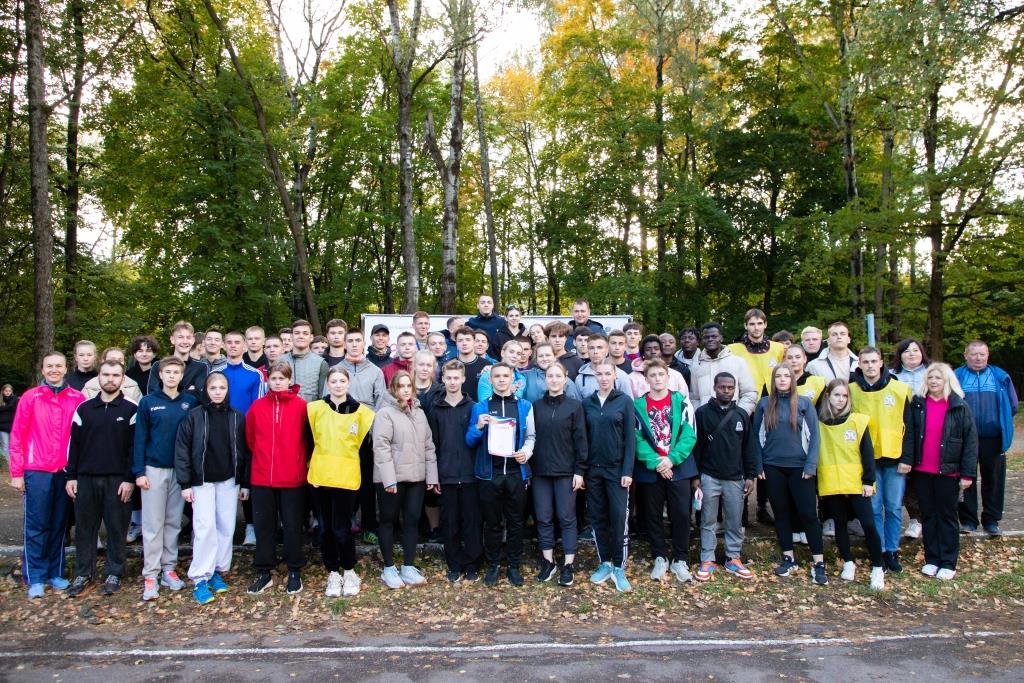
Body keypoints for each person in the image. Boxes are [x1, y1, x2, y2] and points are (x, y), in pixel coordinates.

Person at [9, 351, 86, 598]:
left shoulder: (77, 398)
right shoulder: (31, 397)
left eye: (58, 366)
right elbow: (17, 436)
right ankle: (35, 576)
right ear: (42, 370)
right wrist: (17, 473)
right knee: (36, 524)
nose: (54, 370)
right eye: (49, 366)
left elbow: (82, 437)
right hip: (37, 470)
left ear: (66, 368)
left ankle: (56, 572)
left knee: (59, 524)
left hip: (65, 471)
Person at [174, 372, 250, 605]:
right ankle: (200, 576)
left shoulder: (237, 417)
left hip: (228, 480)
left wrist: (244, 482)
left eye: (222, 388)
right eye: (213, 388)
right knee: (204, 527)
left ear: (227, 390)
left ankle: (217, 569)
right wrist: (185, 483)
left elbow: (245, 451)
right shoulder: (194, 416)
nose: (217, 392)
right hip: (202, 481)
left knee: (225, 526)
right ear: (206, 390)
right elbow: (182, 450)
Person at [64, 360, 137, 597]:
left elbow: (134, 449)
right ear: (99, 378)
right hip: (86, 478)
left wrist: (129, 479)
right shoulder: (84, 409)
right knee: (85, 529)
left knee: (117, 529)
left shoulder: (131, 409)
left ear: (122, 379)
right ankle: (84, 573)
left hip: (118, 481)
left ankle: (114, 572)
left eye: (115, 375)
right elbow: (74, 445)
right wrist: (71, 476)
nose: (110, 379)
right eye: (106, 374)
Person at [751, 365, 825, 584]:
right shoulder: (764, 404)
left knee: (808, 514)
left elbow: (814, 437)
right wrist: (758, 465)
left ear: (792, 379)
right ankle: (788, 557)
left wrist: (811, 465)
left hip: (800, 468)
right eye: (778, 376)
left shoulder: (804, 403)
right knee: (781, 513)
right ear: (773, 380)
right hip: (773, 467)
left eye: (786, 376)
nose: (782, 379)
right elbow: (756, 437)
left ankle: (819, 562)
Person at [905, 363, 979, 580]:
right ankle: (932, 559)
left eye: (938, 377)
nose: (934, 381)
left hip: (948, 471)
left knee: (947, 516)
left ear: (947, 380)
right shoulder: (918, 404)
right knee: (928, 515)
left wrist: (967, 474)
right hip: (922, 470)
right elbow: (909, 434)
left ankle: (948, 561)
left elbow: (970, 442)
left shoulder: (959, 406)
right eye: (930, 377)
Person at [134, 356, 198, 601]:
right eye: (168, 372)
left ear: (182, 376)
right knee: (153, 524)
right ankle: (151, 573)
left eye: (176, 372)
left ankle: (168, 568)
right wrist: (139, 472)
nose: (172, 376)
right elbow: (139, 438)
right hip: (154, 470)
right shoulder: (148, 402)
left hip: (179, 471)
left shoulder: (189, 402)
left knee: (173, 522)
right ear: (160, 375)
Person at [307, 366, 376, 598]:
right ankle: (332, 572)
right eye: (333, 381)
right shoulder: (315, 409)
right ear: (327, 384)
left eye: (342, 381)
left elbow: (364, 451)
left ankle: (348, 569)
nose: (338, 385)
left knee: (341, 528)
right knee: (325, 527)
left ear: (348, 383)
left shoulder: (362, 413)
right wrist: (313, 469)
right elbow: (309, 443)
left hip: (347, 477)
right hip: (320, 477)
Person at [466, 363, 536, 587]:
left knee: (516, 522)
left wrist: (526, 453)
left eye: (506, 376)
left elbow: (531, 436)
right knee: (492, 523)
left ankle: (514, 566)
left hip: (516, 474)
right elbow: (469, 440)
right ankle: (494, 565)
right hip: (490, 475)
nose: (502, 380)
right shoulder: (481, 407)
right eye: (497, 376)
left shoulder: (525, 406)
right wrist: (478, 427)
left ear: (513, 379)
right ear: (491, 380)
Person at [245, 362, 309, 596]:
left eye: (282, 378)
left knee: (292, 525)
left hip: (292, 477)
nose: (278, 382)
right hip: (263, 477)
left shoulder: (302, 406)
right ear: (268, 380)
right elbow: (250, 438)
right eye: (274, 378)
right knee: (264, 527)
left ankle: (294, 570)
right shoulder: (257, 406)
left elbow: (307, 439)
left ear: (289, 380)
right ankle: (264, 571)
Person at [633, 360, 698, 584]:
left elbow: (689, 434)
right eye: (653, 375)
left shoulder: (682, 402)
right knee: (652, 515)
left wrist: (671, 459)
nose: (657, 378)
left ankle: (680, 558)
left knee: (681, 514)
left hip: (678, 468)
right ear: (646, 379)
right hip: (651, 471)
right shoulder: (638, 405)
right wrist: (656, 462)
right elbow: (636, 438)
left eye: (661, 374)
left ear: (668, 377)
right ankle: (659, 557)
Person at [817, 379, 885, 590]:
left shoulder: (858, 421)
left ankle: (878, 567)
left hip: (856, 482)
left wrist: (868, 481)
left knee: (868, 524)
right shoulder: (819, 424)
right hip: (831, 481)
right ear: (828, 397)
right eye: (836, 395)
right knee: (839, 523)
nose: (840, 399)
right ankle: (848, 562)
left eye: (844, 396)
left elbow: (868, 454)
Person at [849, 346, 912, 572]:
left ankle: (892, 550)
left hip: (895, 458)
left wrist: (907, 457)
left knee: (894, 507)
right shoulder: (851, 390)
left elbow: (910, 426)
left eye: (873, 361)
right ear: (859, 365)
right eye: (865, 362)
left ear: (881, 363)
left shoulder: (899, 389)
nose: (870, 366)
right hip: (868, 460)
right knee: (874, 508)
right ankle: (879, 550)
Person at [373, 372, 438, 589]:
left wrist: (432, 476)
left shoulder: (419, 413)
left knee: (412, 520)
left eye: (409, 385)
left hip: (416, 477)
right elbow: (381, 447)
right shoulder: (385, 413)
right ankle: (389, 568)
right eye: (401, 386)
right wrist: (389, 480)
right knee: (388, 520)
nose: (406, 390)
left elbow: (428, 446)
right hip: (392, 478)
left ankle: (408, 566)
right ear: (393, 388)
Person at [693, 373, 756, 582]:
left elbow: (749, 447)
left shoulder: (741, 415)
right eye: (722, 387)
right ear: (714, 388)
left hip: (735, 477)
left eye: (730, 387)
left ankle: (733, 557)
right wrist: (695, 476)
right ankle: (707, 558)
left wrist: (750, 475)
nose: (726, 391)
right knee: (708, 520)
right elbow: (696, 447)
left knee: (734, 520)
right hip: (709, 476)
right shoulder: (702, 413)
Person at [531, 361, 588, 587]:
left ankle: (568, 564)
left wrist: (579, 471)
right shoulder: (536, 406)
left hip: (566, 471)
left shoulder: (575, 406)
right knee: (544, 517)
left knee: (566, 517)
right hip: (540, 471)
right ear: (545, 380)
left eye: (558, 376)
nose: (554, 380)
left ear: (565, 379)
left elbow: (581, 441)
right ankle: (548, 562)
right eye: (550, 376)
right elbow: (530, 437)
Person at [954, 340, 1018, 536]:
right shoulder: (956, 376)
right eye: (974, 354)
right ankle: (968, 521)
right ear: (966, 355)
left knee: (994, 480)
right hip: (964, 438)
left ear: (988, 355)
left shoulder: (1000, 376)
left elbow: (1013, 405)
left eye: (982, 354)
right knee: (966, 479)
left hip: (993, 438)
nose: (978, 358)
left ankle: (991, 521)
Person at [582, 360, 635, 592]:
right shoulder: (587, 403)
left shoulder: (624, 401)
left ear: (615, 375)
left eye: (607, 374)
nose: (603, 378)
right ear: (595, 376)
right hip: (593, 470)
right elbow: (583, 439)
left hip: (617, 470)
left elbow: (630, 439)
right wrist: (582, 470)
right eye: (599, 374)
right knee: (597, 517)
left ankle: (619, 567)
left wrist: (627, 470)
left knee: (618, 517)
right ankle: (604, 562)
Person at [427, 360, 482, 583]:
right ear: (442, 379)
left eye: (456, 378)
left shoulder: (473, 407)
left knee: (471, 522)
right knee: (450, 523)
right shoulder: (435, 409)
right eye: (448, 378)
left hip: (470, 475)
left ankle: (472, 564)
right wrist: (434, 475)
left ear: (463, 379)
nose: (452, 382)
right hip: (446, 474)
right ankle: (454, 565)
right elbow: (432, 444)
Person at [336, 329, 387, 544]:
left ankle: (369, 526)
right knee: (343, 481)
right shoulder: (336, 370)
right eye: (350, 340)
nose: (354, 344)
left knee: (367, 482)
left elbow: (381, 403)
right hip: (341, 434)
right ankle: (344, 522)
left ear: (364, 343)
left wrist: (374, 431)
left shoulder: (375, 371)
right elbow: (327, 401)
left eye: (358, 340)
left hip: (366, 433)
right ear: (344, 344)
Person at [889, 338, 930, 541]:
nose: (911, 354)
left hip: (927, 429)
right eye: (906, 351)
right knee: (905, 475)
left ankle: (927, 518)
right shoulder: (891, 376)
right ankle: (914, 518)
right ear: (900, 355)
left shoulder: (931, 373)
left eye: (915, 350)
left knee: (925, 476)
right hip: (900, 430)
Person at [690, 323, 758, 414]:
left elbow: (749, 393)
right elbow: (694, 398)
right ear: (702, 340)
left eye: (714, 336)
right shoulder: (696, 366)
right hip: (705, 420)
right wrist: (699, 415)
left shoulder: (738, 362)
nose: (710, 339)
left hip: (733, 418)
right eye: (706, 337)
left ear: (721, 338)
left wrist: (739, 415)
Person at [147, 321, 210, 398]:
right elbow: (152, 395)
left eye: (188, 337)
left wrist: (167, 390)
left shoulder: (201, 367)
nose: (185, 341)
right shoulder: (158, 366)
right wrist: (188, 392)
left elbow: (200, 396)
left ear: (193, 340)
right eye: (180, 337)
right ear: (172, 340)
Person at [282, 319, 329, 403]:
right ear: (291, 337)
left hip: (310, 410)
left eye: (305, 333)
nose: (301, 336)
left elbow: (323, 397)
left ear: (311, 337)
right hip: (284, 409)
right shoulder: (280, 361)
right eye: (297, 333)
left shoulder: (321, 363)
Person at [575, 332, 632, 398]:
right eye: (591, 348)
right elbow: (578, 404)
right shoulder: (580, 379)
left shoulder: (621, 376)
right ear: (587, 350)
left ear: (607, 350)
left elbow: (629, 402)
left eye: (599, 347)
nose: (595, 352)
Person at [221, 331, 266, 415]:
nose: (233, 345)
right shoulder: (215, 373)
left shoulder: (255, 374)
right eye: (229, 342)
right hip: (221, 421)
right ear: (223, 345)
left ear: (245, 347)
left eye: (237, 342)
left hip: (245, 422)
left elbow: (258, 406)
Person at [453, 326, 493, 402]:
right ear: (456, 343)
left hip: (479, 407)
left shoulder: (487, 365)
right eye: (460, 340)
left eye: (468, 340)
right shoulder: (449, 365)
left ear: (474, 342)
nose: (464, 343)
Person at [466, 294, 507, 359]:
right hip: (476, 360)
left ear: (493, 305)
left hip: (498, 361)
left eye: (489, 302)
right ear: (478, 305)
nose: (486, 305)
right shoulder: (471, 323)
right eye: (483, 302)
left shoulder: (502, 322)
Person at [0, 384, 18, 461]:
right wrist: (9, 407)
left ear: (12, 391)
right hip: (2, 427)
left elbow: (17, 410)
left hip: (13, 426)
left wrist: (3, 408)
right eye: (6, 391)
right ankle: (7, 463)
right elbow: (10, 407)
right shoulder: (1, 400)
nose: (8, 392)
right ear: (3, 391)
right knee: (5, 445)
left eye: (9, 391)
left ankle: (14, 462)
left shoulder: (15, 399)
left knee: (13, 446)